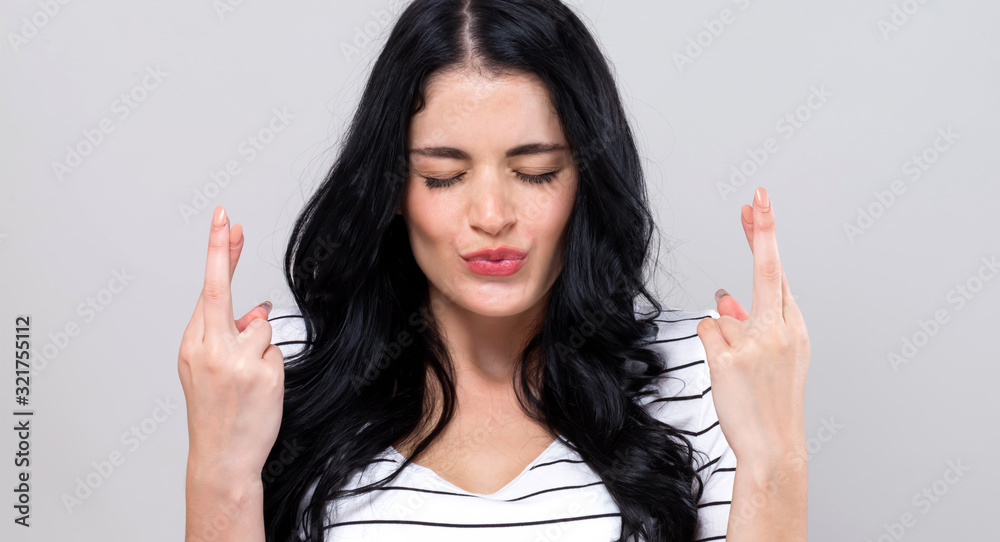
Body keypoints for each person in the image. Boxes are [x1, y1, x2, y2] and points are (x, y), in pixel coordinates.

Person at [177, 1, 811, 541]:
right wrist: (219, 473)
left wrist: (776, 454)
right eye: (443, 176)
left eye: (535, 171)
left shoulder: (702, 374)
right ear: (393, 188)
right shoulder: (281, 375)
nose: (491, 215)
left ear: (586, 179)